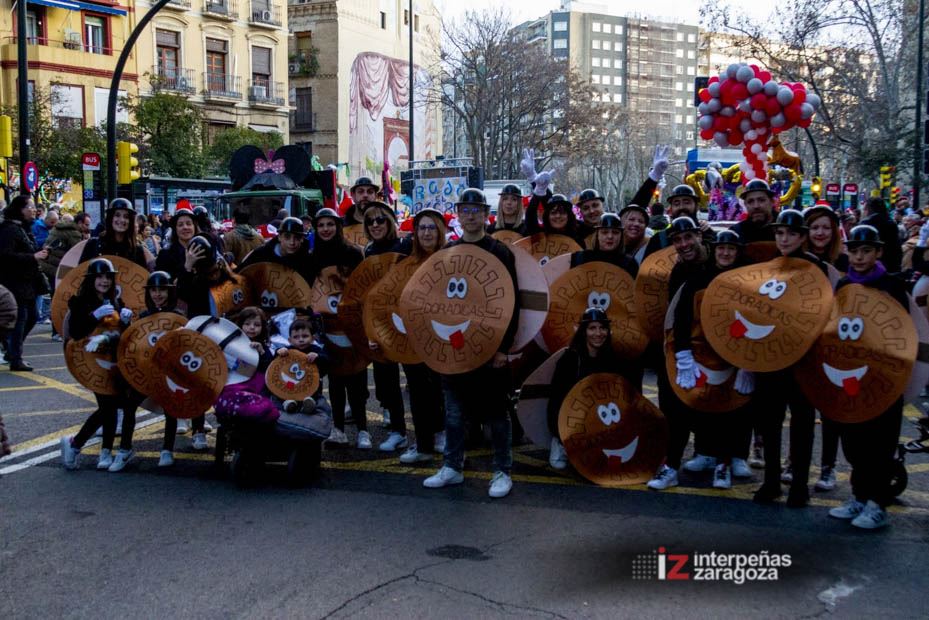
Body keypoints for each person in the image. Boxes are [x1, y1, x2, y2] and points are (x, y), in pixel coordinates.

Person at [423, 188, 520, 499]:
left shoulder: (500, 252)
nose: (470, 214)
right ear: (459, 213)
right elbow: (435, 301)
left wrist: (504, 348)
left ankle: (502, 471)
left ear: (485, 213)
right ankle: (452, 466)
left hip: (490, 347)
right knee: (453, 412)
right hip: (454, 348)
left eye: (476, 209)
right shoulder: (449, 252)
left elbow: (511, 303)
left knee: (496, 413)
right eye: (465, 209)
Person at [828, 225, 909, 529]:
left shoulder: (892, 286)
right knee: (854, 442)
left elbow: (902, 333)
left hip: (883, 378)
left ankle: (878, 504)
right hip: (851, 377)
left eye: (866, 251)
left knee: (880, 443)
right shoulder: (844, 284)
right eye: (854, 250)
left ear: (878, 252)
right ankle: (859, 496)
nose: (859, 257)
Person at [751, 209, 826, 507]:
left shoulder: (815, 268)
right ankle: (771, 482)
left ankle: (799, 485)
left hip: (803, 359)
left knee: (803, 422)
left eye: (791, 233)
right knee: (769, 421)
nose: (784, 239)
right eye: (780, 233)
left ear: (803, 237)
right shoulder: (769, 267)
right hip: (771, 358)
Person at [668, 230, 755, 489]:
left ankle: (729, 460)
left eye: (731, 248)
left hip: (735, 357)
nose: (725, 253)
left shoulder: (747, 281)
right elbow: (681, 316)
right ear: (714, 250)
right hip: (701, 353)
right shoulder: (698, 278)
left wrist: (749, 362)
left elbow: (755, 320)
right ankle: (706, 453)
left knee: (732, 408)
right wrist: (683, 353)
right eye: (721, 248)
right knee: (701, 403)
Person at [647, 217, 712, 491]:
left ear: (699, 235)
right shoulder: (678, 271)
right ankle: (671, 466)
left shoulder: (716, 262)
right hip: (682, 348)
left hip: (712, 349)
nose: (684, 244)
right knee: (673, 409)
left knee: (715, 404)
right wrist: (681, 351)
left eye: (688, 238)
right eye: (677, 240)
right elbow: (679, 313)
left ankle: (715, 457)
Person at [58, 258, 136, 471]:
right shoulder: (80, 302)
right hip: (91, 362)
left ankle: (101, 451)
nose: (104, 281)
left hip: (113, 363)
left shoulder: (115, 302)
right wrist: (93, 316)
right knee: (108, 406)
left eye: (108, 277)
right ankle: (76, 445)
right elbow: (75, 331)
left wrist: (126, 320)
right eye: (100, 277)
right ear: (92, 279)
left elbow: (121, 334)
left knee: (110, 406)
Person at [546, 307, 638, 469]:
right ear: (583, 331)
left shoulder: (612, 358)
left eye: (602, 328)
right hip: (573, 417)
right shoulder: (570, 359)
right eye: (592, 328)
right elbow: (556, 398)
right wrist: (559, 431)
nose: (598, 333)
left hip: (600, 417)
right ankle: (559, 444)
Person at [310, 207, 371, 449]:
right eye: (321, 225)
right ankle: (338, 428)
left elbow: (363, 287)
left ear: (337, 226)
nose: (326, 229)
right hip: (327, 325)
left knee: (357, 378)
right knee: (335, 380)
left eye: (330, 224)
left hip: (352, 323)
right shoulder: (312, 256)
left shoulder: (354, 253)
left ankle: (363, 429)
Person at [396, 208, 447, 464]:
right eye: (422, 228)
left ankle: (439, 434)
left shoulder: (452, 259)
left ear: (440, 232)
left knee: (440, 388)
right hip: (413, 339)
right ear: (415, 233)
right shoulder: (405, 263)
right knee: (417, 390)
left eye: (431, 227)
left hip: (442, 337)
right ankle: (423, 443)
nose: (427, 232)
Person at [362, 201, 411, 448]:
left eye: (380, 219)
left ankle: (433, 431)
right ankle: (398, 431)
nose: (375, 225)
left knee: (417, 378)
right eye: (370, 221)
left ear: (390, 221)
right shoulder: (368, 251)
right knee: (386, 378)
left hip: (409, 320)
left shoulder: (406, 245)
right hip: (381, 322)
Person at [136, 271, 188, 468]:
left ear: (170, 292)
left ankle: (167, 450)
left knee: (171, 410)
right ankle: (124, 448)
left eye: (162, 290)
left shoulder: (178, 317)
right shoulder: (143, 316)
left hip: (172, 371)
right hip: (148, 370)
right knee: (130, 404)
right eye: (154, 290)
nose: (158, 294)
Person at [0, 195, 49, 371]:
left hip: (26, 283)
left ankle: (12, 351)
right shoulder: (9, 230)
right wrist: (33, 256)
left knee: (32, 316)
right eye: (30, 206)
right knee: (20, 319)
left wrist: (40, 253)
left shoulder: (22, 228)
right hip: (14, 282)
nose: (33, 209)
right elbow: (5, 256)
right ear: (20, 209)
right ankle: (15, 357)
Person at [40, 211, 85, 341]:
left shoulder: (58, 229)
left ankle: (56, 330)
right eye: (86, 224)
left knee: (56, 298)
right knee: (62, 300)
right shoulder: (73, 233)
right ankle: (59, 330)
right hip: (62, 268)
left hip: (51, 267)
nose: (88, 227)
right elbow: (78, 252)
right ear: (79, 223)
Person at [273, 318, 330, 414]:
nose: (301, 340)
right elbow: (275, 363)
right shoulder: (288, 350)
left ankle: (309, 403)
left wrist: (318, 356)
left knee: (313, 392)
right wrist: (278, 351)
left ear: (312, 338)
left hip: (310, 383)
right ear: (290, 340)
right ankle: (288, 402)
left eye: (305, 336)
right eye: (296, 337)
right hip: (291, 383)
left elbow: (327, 361)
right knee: (285, 388)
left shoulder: (315, 349)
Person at [643, 185, 716, 258]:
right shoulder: (658, 240)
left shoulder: (709, 235)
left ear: (696, 206)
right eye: (676, 204)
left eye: (687, 202)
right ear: (671, 209)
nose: (681, 207)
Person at [238, 216, 315, 284]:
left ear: (302, 239)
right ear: (279, 237)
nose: (292, 242)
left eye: (297, 237)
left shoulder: (307, 259)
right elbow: (240, 273)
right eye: (287, 237)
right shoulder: (261, 254)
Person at [79, 198, 147, 268]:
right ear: (110, 218)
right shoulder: (93, 244)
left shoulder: (137, 249)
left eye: (126, 217)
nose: (121, 220)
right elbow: (80, 273)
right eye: (117, 215)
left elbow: (143, 276)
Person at [569, 212, 639, 277]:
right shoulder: (582, 258)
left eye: (615, 232)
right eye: (604, 232)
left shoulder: (630, 264)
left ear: (621, 235)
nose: (610, 236)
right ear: (597, 235)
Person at [155, 207, 201, 278]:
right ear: (175, 229)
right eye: (180, 225)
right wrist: (187, 266)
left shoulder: (203, 250)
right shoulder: (165, 254)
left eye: (189, 224)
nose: (185, 227)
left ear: (194, 227)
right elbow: (162, 285)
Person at [860, 197, 902, 272]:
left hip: (872, 267)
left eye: (864, 209)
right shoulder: (891, 223)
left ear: (868, 209)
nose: (863, 212)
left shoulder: (866, 223)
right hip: (891, 266)